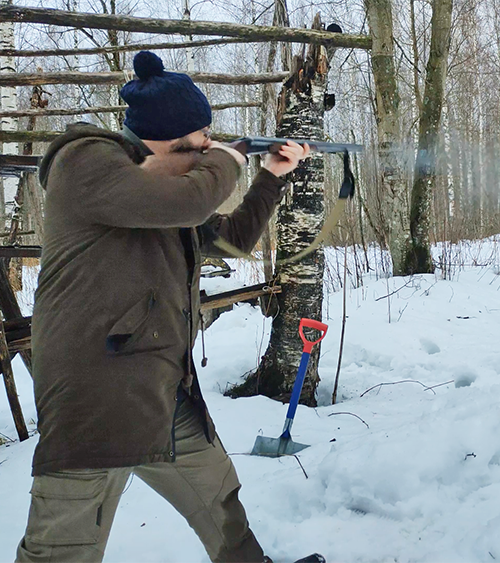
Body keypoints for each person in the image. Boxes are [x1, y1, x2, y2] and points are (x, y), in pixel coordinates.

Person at [16, 51, 311, 563]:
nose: (205, 146)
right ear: (164, 136)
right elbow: (191, 201)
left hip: (161, 389)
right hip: (96, 398)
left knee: (221, 503)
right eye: (198, 139)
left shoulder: (161, 190)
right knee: (60, 549)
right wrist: (232, 155)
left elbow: (233, 237)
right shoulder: (86, 161)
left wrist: (271, 176)